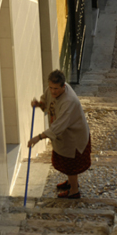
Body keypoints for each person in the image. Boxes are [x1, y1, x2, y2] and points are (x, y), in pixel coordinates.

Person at [28, 69, 91, 199]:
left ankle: (74, 191)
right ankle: (71, 182)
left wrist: (38, 138)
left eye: (56, 88)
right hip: (64, 138)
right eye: (51, 87)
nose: (52, 91)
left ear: (63, 86)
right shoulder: (51, 90)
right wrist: (39, 104)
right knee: (67, 164)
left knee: (71, 166)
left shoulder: (69, 101)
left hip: (73, 139)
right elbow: (46, 103)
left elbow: (58, 126)